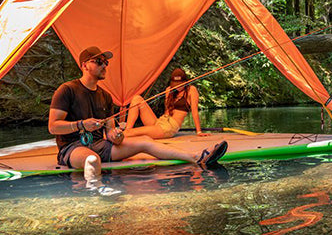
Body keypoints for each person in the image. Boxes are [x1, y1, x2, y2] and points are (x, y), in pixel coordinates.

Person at [48, 47, 228, 189]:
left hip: (101, 146)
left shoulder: (106, 96)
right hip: (73, 147)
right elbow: (53, 127)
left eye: (106, 62)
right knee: (92, 160)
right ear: (84, 65)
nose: (104, 65)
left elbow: (110, 131)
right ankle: (97, 193)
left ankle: (198, 157)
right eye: (99, 61)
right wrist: (80, 124)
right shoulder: (67, 90)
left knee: (145, 141)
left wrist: (116, 136)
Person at [123, 67, 206, 139]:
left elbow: (194, 112)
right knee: (137, 98)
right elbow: (167, 110)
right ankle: (127, 128)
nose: (178, 86)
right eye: (176, 83)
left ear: (185, 81)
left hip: (170, 127)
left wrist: (198, 131)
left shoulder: (191, 90)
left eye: (180, 83)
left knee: (131, 133)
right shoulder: (169, 90)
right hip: (160, 121)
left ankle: (123, 134)